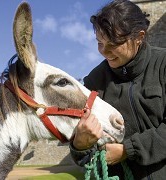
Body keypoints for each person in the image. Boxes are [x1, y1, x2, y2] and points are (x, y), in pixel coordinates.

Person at [69, 0, 166, 179]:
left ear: (139, 37)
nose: (104, 52)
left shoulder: (162, 64)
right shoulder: (94, 81)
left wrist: (127, 150)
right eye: (99, 43)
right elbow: (82, 157)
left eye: (113, 44)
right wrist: (79, 144)